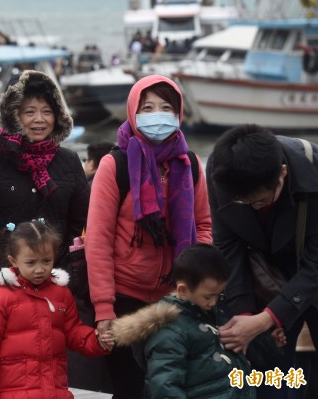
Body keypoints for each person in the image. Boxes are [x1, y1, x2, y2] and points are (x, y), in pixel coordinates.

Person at [85, 74, 212, 399]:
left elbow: (204, 225)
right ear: (132, 111)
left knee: (171, 387)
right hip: (124, 299)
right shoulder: (115, 165)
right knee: (128, 389)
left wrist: (194, 280)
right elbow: (97, 241)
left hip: (175, 298)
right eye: (148, 107)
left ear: (179, 113)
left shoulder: (190, 165)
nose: (157, 115)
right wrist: (103, 309)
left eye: (166, 107)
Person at [0, 69, 89, 294]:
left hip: (56, 283)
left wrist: (65, 274)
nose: (39, 119)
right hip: (1, 285)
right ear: (13, 115)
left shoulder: (69, 161)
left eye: (47, 111)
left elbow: (81, 225)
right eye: (29, 112)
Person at [206, 124, 318, 398]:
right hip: (262, 278)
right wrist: (245, 315)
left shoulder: (314, 171)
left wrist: (267, 318)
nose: (254, 207)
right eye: (242, 203)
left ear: (282, 173)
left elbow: (316, 263)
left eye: (260, 201)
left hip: (310, 270)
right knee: (268, 379)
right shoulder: (221, 172)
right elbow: (226, 245)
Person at [110, 243, 281, 398]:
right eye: (208, 296)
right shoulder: (169, 331)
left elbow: (242, 352)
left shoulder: (216, 312)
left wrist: (268, 341)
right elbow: (165, 385)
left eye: (219, 295)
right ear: (183, 290)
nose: (214, 301)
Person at [0, 220, 114, 398]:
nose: (40, 269)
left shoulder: (61, 294)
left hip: (54, 392)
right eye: (30, 263)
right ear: (13, 261)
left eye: (47, 261)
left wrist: (97, 340)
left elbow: (74, 332)